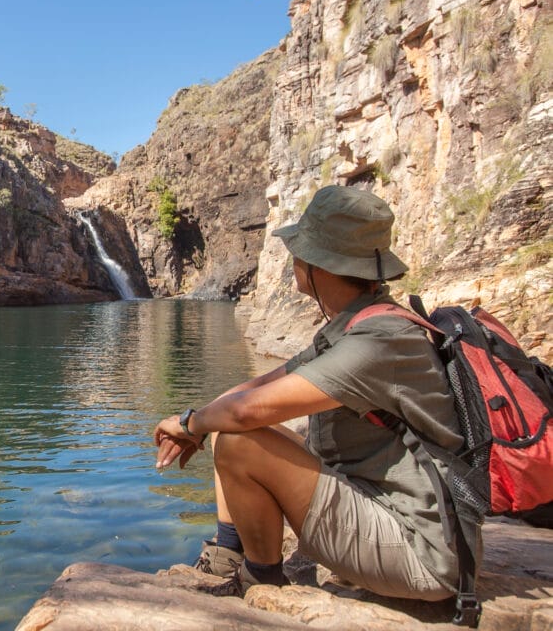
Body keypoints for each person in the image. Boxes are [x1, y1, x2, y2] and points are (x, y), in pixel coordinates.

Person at [152, 184, 464, 600]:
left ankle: (260, 582)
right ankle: (228, 555)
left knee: (237, 439)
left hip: (420, 554)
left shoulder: (381, 338)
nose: (294, 259)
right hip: (383, 512)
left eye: (300, 251)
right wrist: (202, 419)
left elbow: (247, 414)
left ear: (319, 264)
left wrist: (189, 423)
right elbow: (257, 389)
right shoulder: (357, 323)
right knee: (225, 421)